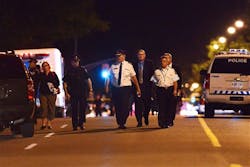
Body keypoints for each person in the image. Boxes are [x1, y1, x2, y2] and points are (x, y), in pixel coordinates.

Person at [105, 50, 141, 129]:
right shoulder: (113, 66)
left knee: (125, 106)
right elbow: (108, 77)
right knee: (118, 106)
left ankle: (123, 120)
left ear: (124, 56)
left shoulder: (129, 65)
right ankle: (120, 123)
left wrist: (138, 88)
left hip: (126, 88)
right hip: (115, 89)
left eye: (120, 55)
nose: (118, 57)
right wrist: (106, 86)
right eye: (117, 56)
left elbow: (133, 77)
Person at [63, 55, 93, 131]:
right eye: (74, 61)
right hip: (73, 92)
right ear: (71, 62)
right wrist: (66, 93)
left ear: (78, 62)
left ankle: (81, 123)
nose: (75, 63)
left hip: (82, 92)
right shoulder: (69, 71)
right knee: (74, 109)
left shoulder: (83, 70)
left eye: (77, 61)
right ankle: (75, 125)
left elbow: (88, 80)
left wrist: (91, 90)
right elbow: (65, 83)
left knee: (82, 108)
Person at [151, 54, 179, 128]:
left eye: (164, 61)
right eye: (162, 61)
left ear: (167, 63)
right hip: (160, 90)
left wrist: (175, 90)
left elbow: (175, 81)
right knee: (161, 107)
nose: (163, 62)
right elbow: (153, 82)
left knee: (168, 107)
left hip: (169, 90)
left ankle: (167, 122)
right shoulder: (156, 71)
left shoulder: (172, 71)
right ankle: (161, 122)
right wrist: (154, 91)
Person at [132, 49, 154, 127]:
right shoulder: (134, 64)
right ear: (137, 56)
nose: (141, 56)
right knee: (138, 105)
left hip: (147, 87)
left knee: (147, 104)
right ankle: (139, 121)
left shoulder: (150, 63)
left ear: (145, 55)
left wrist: (152, 87)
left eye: (142, 54)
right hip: (137, 87)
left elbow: (152, 75)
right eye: (139, 54)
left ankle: (146, 116)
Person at [163, 53, 182, 126]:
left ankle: (170, 120)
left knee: (172, 105)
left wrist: (178, 89)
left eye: (167, 58)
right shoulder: (162, 67)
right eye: (165, 58)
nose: (166, 59)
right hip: (164, 89)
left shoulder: (176, 67)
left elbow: (180, 79)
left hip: (174, 89)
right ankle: (165, 120)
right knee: (165, 105)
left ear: (170, 59)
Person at [39, 62, 60, 130]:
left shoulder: (53, 74)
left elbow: (57, 83)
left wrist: (55, 88)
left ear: (49, 66)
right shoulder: (41, 75)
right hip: (43, 93)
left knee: (51, 107)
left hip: (52, 93)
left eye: (46, 66)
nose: (45, 67)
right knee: (43, 107)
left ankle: (49, 122)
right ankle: (43, 123)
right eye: (43, 66)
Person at [28, 58, 40, 123]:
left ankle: (34, 118)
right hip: (29, 89)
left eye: (33, 63)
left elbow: (39, 80)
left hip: (35, 89)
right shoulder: (27, 71)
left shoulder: (37, 71)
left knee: (34, 104)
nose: (32, 64)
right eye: (31, 63)